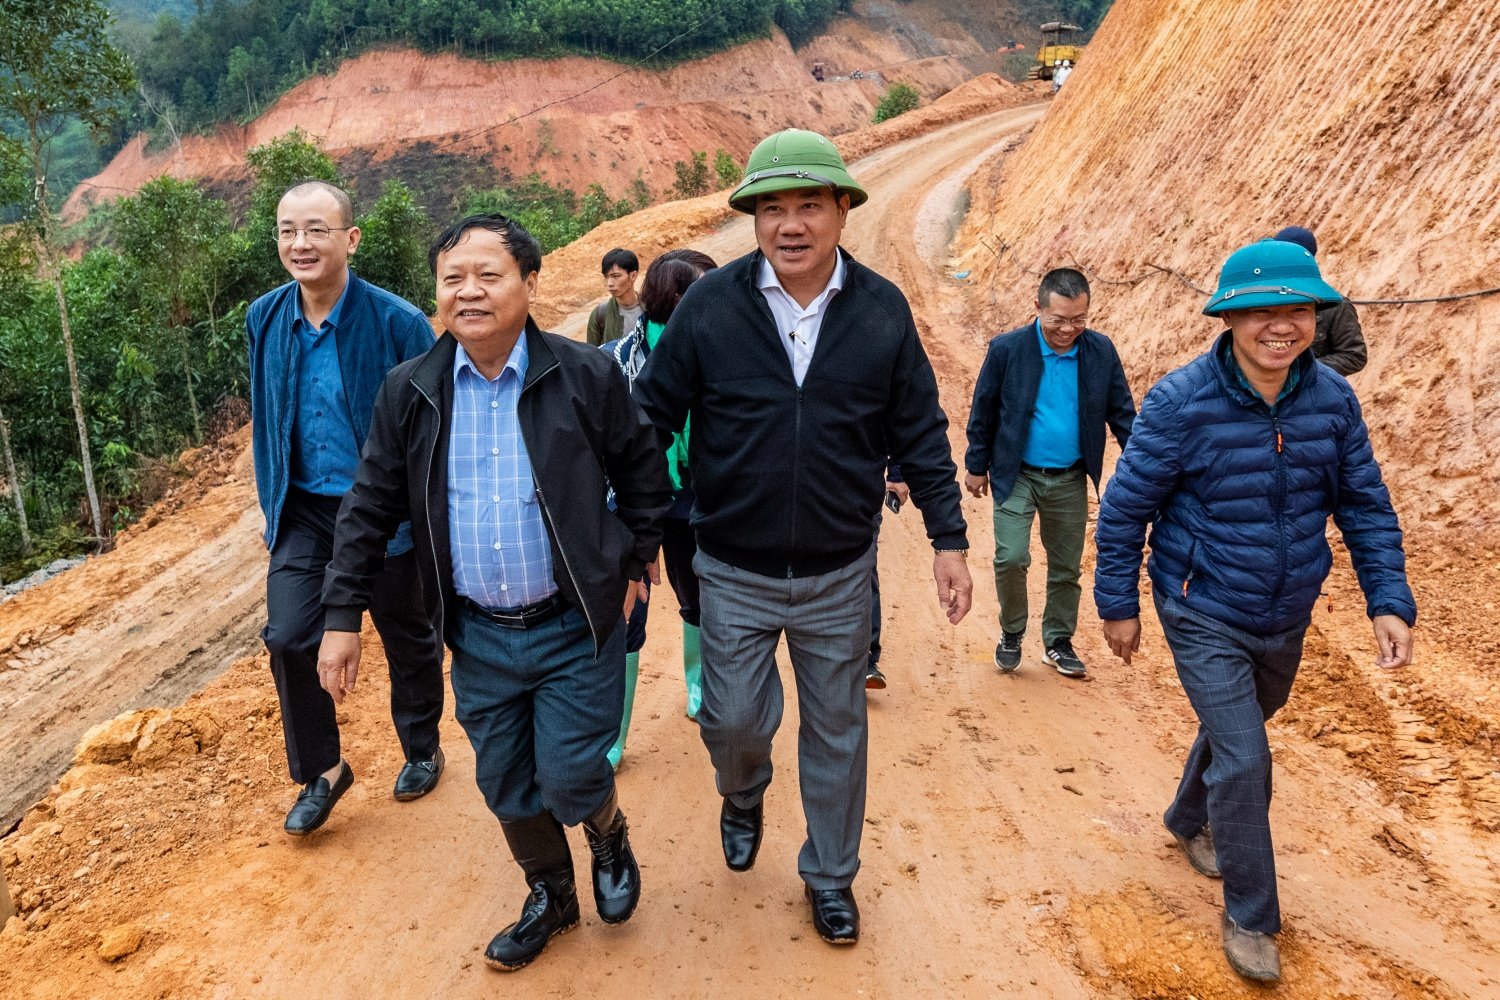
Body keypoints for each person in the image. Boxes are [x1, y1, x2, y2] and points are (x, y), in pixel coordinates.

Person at [633, 128, 973, 947]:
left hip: (837, 570)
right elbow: (650, 416)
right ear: (752, 220)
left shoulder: (883, 310)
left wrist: (948, 538)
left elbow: (920, 430)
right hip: (732, 565)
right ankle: (743, 790)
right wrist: (635, 530)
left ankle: (830, 876)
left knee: (837, 731)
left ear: (842, 211)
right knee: (734, 719)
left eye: (809, 206)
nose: (791, 225)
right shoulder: (711, 308)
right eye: (772, 209)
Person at [317, 215, 673, 971]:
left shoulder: (584, 376)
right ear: (437, 292)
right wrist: (341, 613)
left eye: (489, 275)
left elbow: (644, 472)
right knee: (506, 782)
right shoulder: (409, 391)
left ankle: (605, 829)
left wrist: (640, 561)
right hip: (479, 630)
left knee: (572, 772)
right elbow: (369, 506)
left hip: (575, 621)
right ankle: (552, 894)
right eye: (453, 278)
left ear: (530, 283)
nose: (469, 292)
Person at [1094, 238, 1416, 983]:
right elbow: (1124, 512)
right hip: (1200, 604)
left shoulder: (1332, 400)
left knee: (1239, 729)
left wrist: (1388, 599)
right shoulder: (1180, 403)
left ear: (1317, 318)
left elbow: (1365, 505)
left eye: (1298, 310)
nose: (1282, 326)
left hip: (1286, 608)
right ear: (1230, 317)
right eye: (1263, 311)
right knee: (1246, 755)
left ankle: (1184, 818)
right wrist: (1118, 605)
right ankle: (1251, 916)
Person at [245, 179, 445, 837]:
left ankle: (421, 745)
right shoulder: (265, 319)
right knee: (286, 636)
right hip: (303, 510)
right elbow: (270, 417)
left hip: (385, 513)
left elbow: (426, 430)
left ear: (350, 239)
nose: (299, 243)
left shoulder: (397, 323)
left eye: (315, 230)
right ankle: (322, 770)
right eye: (286, 231)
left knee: (406, 636)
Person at [963, 268, 1135, 679]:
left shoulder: (1100, 351)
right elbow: (983, 408)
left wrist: (1144, 463)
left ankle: (1058, 641)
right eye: (1058, 319)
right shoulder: (1008, 350)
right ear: (1037, 307)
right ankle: (1011, 632)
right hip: (1015, 473)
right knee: (1010, 556)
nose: (1068, 329)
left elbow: (1123, 413)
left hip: (1070, 478)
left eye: (1078, 320)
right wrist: (975, 464)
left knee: (1065, 568)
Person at [600, 248, 719, 769]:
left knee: (698, 600)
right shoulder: (614, 360)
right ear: (677, 299)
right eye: (707, 293)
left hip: (702, 500)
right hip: (635, 506)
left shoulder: (723, 356)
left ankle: (698, 690)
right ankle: (612, 736)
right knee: (627, 615)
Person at [1272, 226, 1368, 376]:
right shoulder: (1260, 298)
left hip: (1311, 395)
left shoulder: (1335, 304)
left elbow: (1354, 356)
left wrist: (1300, 371)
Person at [865, 465, 907, 691]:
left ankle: (865, 660)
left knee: (863, 566)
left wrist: (896, 475)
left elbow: (897, 428)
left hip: (856, 489)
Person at [585, 248, 642, 347]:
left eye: (615, 276)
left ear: (633, 275)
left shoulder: (652, 308)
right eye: (606, 277)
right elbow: (592, 356)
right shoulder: (600, 315)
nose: (609, 283)